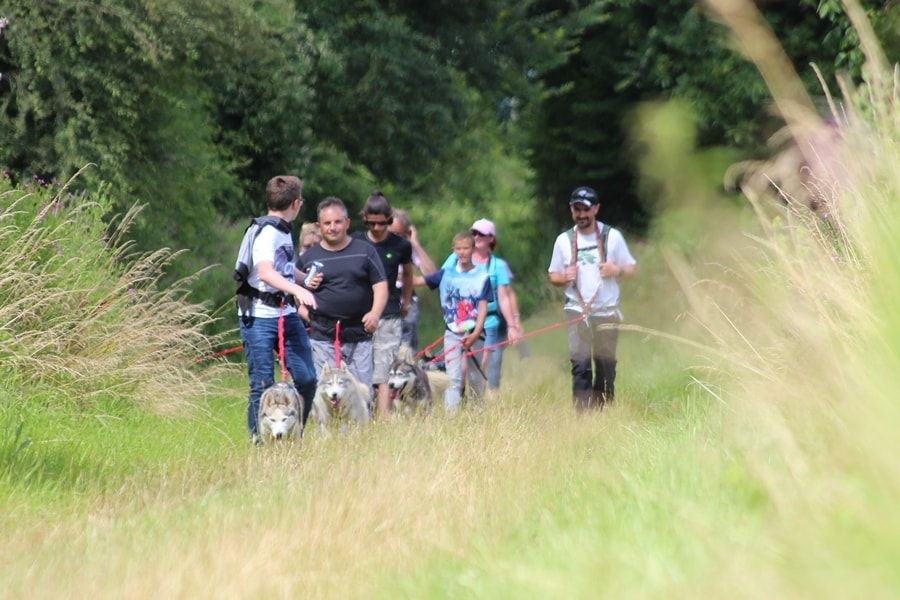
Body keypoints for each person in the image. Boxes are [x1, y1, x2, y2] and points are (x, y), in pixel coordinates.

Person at [235, 175, 318, 445]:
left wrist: (302, 279)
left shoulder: (283, 229)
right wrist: (298, 291)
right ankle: (258, 442)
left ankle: (293, 431)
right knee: (262, 384)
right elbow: (266, 272)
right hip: (259, 316)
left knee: (306, 378)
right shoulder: (268, 232)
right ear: (296, 203)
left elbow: (281, 266)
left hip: (285, 314)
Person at [548, 186, 636, 411]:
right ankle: (583, 418)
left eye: (586, 210)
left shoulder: (612, 237)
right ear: (571, 210)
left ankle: (603, 413)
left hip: (606, 311)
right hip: (576, 310)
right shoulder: (563, 241)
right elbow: (553, 275)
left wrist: (616, 270)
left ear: (596, 209)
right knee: (580, 366)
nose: (581, 215)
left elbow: (631, 269)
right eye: (577, 210)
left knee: (606, 368)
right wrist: (564, 277)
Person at [297, 197, 387, 401]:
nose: (333, 228)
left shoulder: (365, 251)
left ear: (347, 223)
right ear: (319, 227)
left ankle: (360, 432)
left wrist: (375, 313)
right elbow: (294, 293)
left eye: (338, 222)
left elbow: (380, 285)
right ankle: (328, 432)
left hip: (359, 333)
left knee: (361, 393)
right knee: (325, 393)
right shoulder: (309, 258)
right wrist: (307, 315)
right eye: (327, 223)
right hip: (322, 336)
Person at [441, 219, 522, 394]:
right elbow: (441, 278)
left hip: (487, 323)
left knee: (477, 371)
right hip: (460, 322)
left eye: (481, 234)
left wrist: (513, 325)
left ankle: (477, 410)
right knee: (459, 371)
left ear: (491, 238)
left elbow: (504, 296)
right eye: (474, 233)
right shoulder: (455, 258)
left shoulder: (497, 265)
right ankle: (457, 408)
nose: (476, 237)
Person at [352, 191, 413, 418]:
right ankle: (364, 417)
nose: (377, 228)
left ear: (388, 219)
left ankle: (384, 420)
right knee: (361, 369)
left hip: (388, 315)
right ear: (365, 219)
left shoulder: (400, 245)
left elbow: (408, 274)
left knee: (384, 370)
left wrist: (405, 302)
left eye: (381, 223)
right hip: (359, 314)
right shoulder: (356, 241)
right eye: (372, 223)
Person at [423, 231, 492, 413]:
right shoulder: (446, 274)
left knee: (475, 376)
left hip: (476, 333)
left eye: (466, 248)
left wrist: (476, 333)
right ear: (453, 250)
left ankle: (477, 413)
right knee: (452, 377)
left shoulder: (482, 276)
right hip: (452, 332)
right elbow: (420, 281)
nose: (462, 253)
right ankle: (451, 419)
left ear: (473, 249)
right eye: (458, 249)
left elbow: (483, 307)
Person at [389, 208, 437, 352]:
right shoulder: (376, 247)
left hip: (406, 299)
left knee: (407, 348)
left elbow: (432, 274)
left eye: (400, 235)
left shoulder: (406, 248)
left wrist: (414, 243)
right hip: (384, 299)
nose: (395, 240)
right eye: (391, 234)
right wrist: (411, 278)